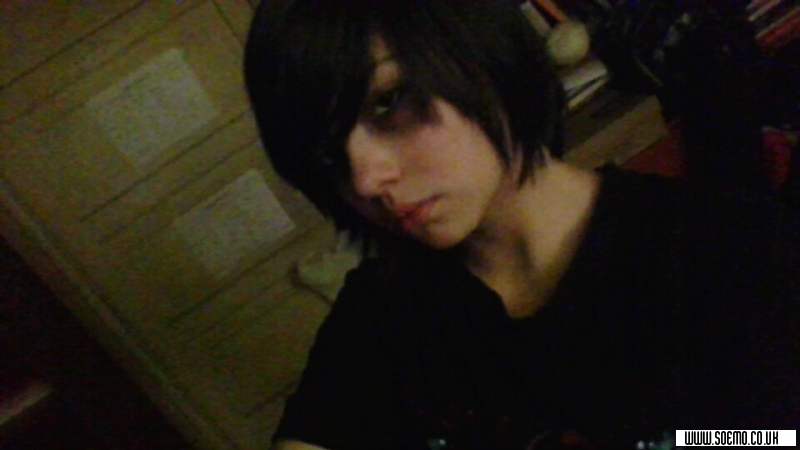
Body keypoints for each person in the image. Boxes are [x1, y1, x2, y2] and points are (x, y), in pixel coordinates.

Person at [244, 1, 800, 449]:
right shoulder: (382, 317)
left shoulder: (733, 250)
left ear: (478, 52)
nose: (365, 179)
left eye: (388, 102)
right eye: (329, 154)